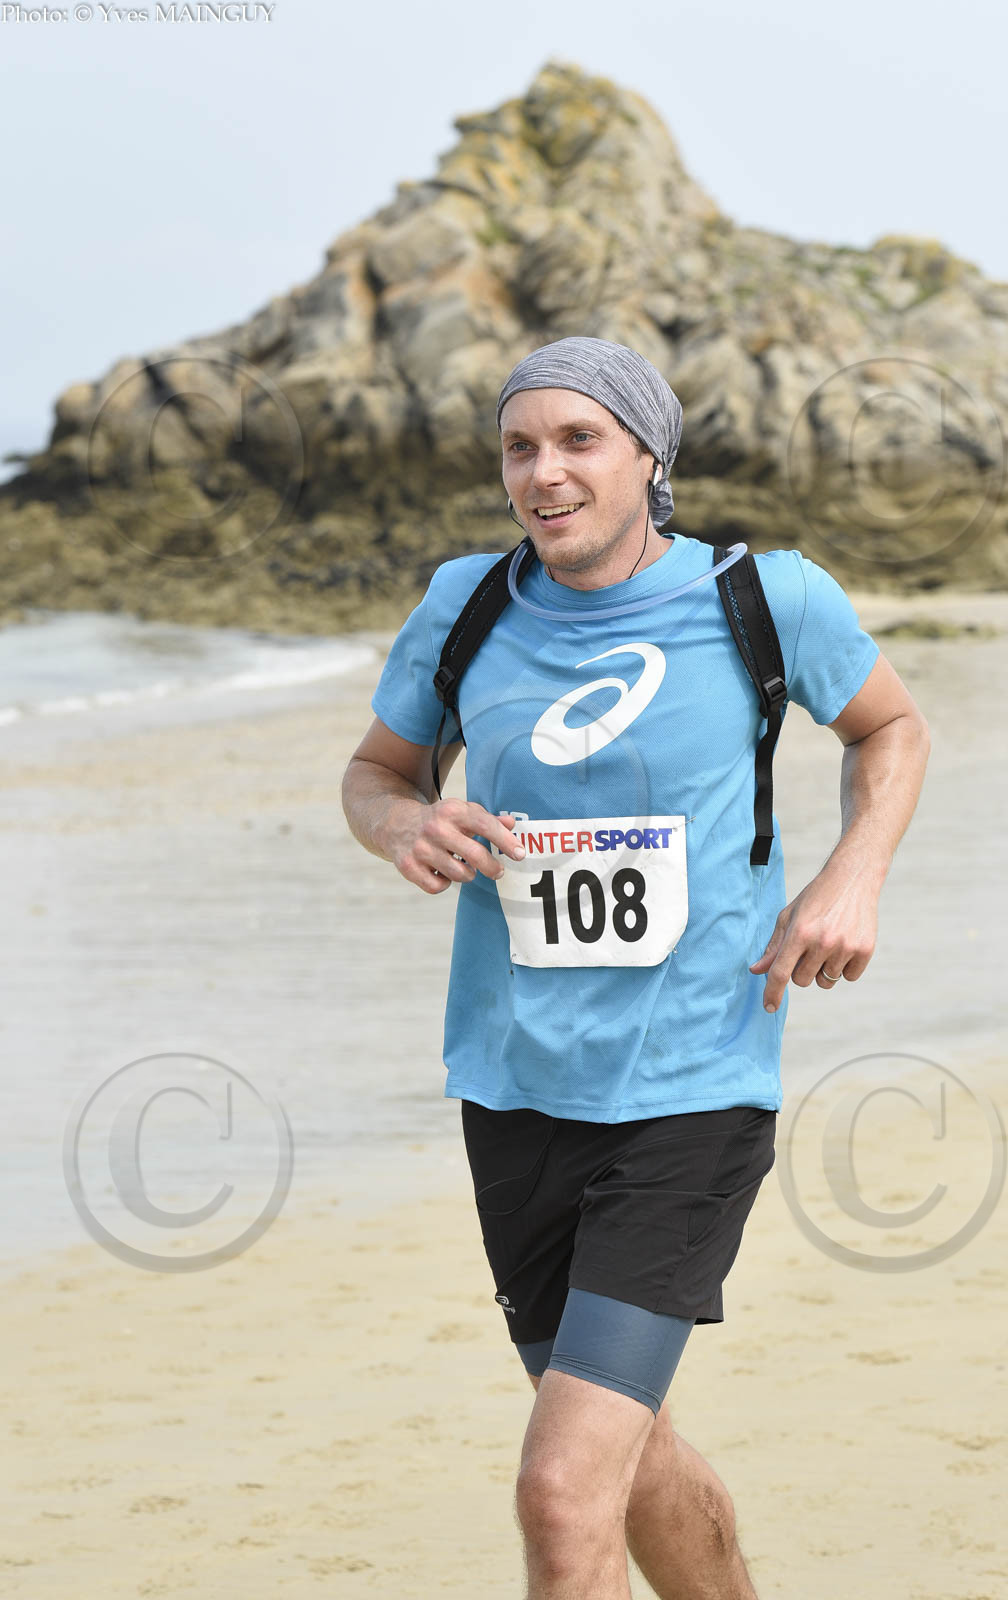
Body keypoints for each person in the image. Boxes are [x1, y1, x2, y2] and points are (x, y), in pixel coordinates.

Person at [341, 335, 931, 1599]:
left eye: (578, 439)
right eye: (519, 447)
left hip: (692, 1085)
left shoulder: (766, 598)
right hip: (514, 1088)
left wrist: (853, 874)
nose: (543, 472)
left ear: (649, 455)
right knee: (625, 1444)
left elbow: (889, 727)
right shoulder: (467, 605)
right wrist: (404, 825)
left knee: (560, 1490)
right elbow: (378, 772)